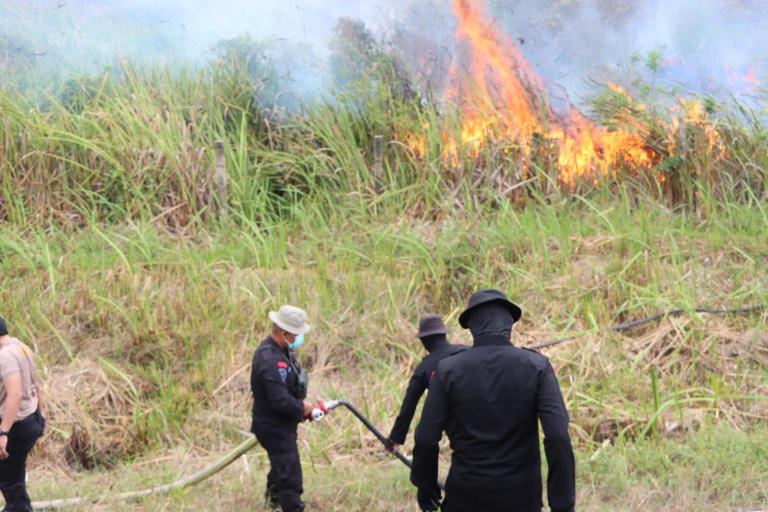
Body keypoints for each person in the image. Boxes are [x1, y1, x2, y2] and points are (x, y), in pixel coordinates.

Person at [411, 289, 576, 512]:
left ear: (471, 327)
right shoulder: (537, 367)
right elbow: (557, 436)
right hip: (522, 498)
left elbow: (426, 438)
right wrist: (562, 503)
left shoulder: (446, 371)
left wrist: (426, 485)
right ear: (510, 324)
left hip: (465, 496)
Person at [250, 305, 316, 512]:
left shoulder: (282, 352)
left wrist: (304, 408)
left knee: (281, 465)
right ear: (283, 332)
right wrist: (302, 408)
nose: (299, 338)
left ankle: (273, 502)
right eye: (296, 334)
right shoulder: (270, 359)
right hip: (273, 427)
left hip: (282, 424)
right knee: (290, 473)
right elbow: (279, 400)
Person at [385, 315, 465, 453]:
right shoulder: (467, 351)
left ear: (423, 340)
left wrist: (395, 438)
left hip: (458, 427)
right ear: (443, 334)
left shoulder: (424, 367)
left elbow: (409, 406)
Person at [0, 316, 46, 512]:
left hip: (17, 425)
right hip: (31, 418)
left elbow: (15, 393)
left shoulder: (5, 356)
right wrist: (42, 414)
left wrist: (3, 433)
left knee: (10, 481)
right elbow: (36, 382)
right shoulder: (20, 346)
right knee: (14, 478)